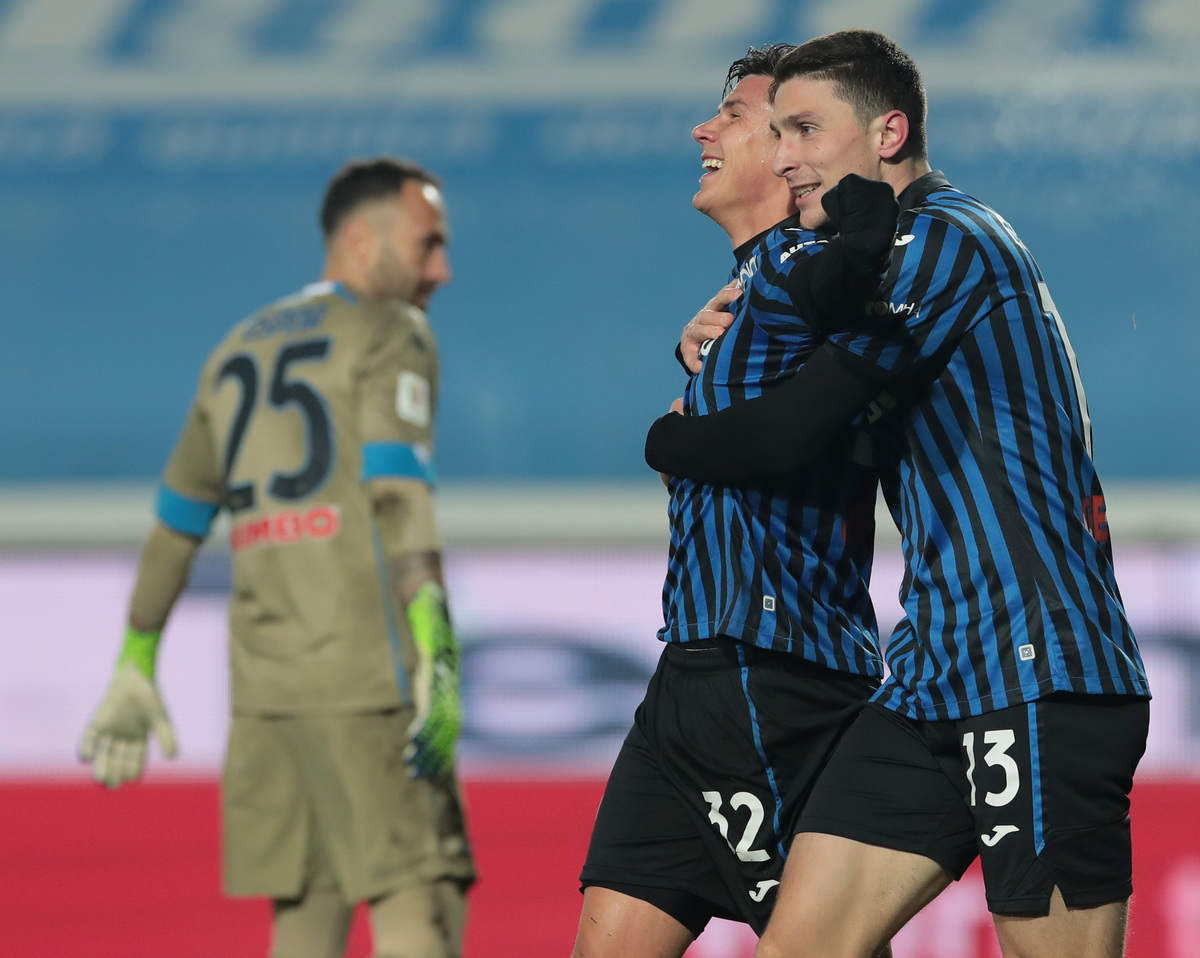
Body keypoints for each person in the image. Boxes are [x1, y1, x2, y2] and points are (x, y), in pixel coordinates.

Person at [645, 30, 1150, 958]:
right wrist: (711, 349)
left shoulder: (945, 239)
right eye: (780, 130)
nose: (785, 155)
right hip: (932, 671)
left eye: (804, 128)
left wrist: (671, 436)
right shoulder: (877, 253)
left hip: (1037, 660)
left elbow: (790, 429)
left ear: (887, 132)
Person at [78, 157, 475, 958]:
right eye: (428, 244)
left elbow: (175, 525)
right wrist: (437, 651)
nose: (442, 270)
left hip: (266, 695)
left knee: (304, 919)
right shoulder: (392, 331)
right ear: (361, 241)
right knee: (422, 898)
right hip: (369, 677)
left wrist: (134, 659)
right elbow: (398, 495)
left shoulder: (234, 353)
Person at [573, 44, 899, 958]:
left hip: (774, 668)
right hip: (690, 672)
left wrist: (671, 438)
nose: (703, 129)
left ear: (792, 155)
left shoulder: (812, 271)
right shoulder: (741, 297)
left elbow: (813, 425)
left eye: (735, 114)